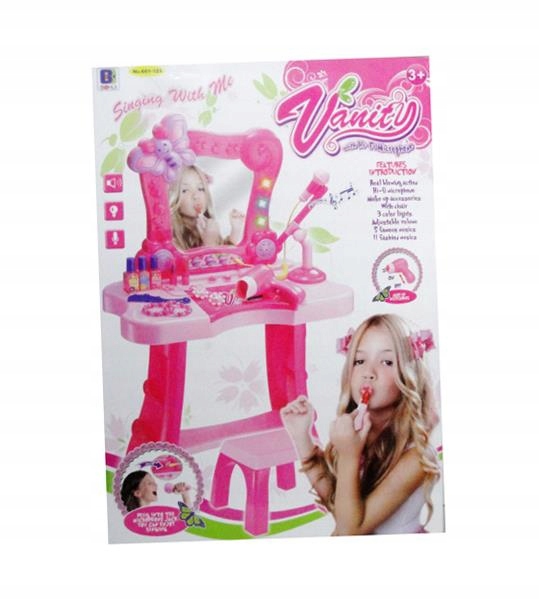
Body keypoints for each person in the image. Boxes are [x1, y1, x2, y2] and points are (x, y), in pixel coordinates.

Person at [281, 314, 440, 535]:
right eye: (359, 361)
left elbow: (349, 531)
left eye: (387, 362)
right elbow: (340, 508)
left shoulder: (418, 457)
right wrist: (302, 437)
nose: (369, 373)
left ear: (409, 375)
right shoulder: (358, 436)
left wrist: (349, 455)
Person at [169, 165, 245, 250]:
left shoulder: (206, 226)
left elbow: (222, 254)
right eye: (185, 190)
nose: (196, 196)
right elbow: (213, 256)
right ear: (174, 197)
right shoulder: (172, 237)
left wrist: (235, 231)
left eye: (200, 188)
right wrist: (209, 243)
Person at [120, 470, 192, 512]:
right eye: (150, 483)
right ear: (137, 493)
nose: (156, 485)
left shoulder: (154, 515)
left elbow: (186, 517)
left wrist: (184, 493)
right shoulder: (135, 518)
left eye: (154, 482)